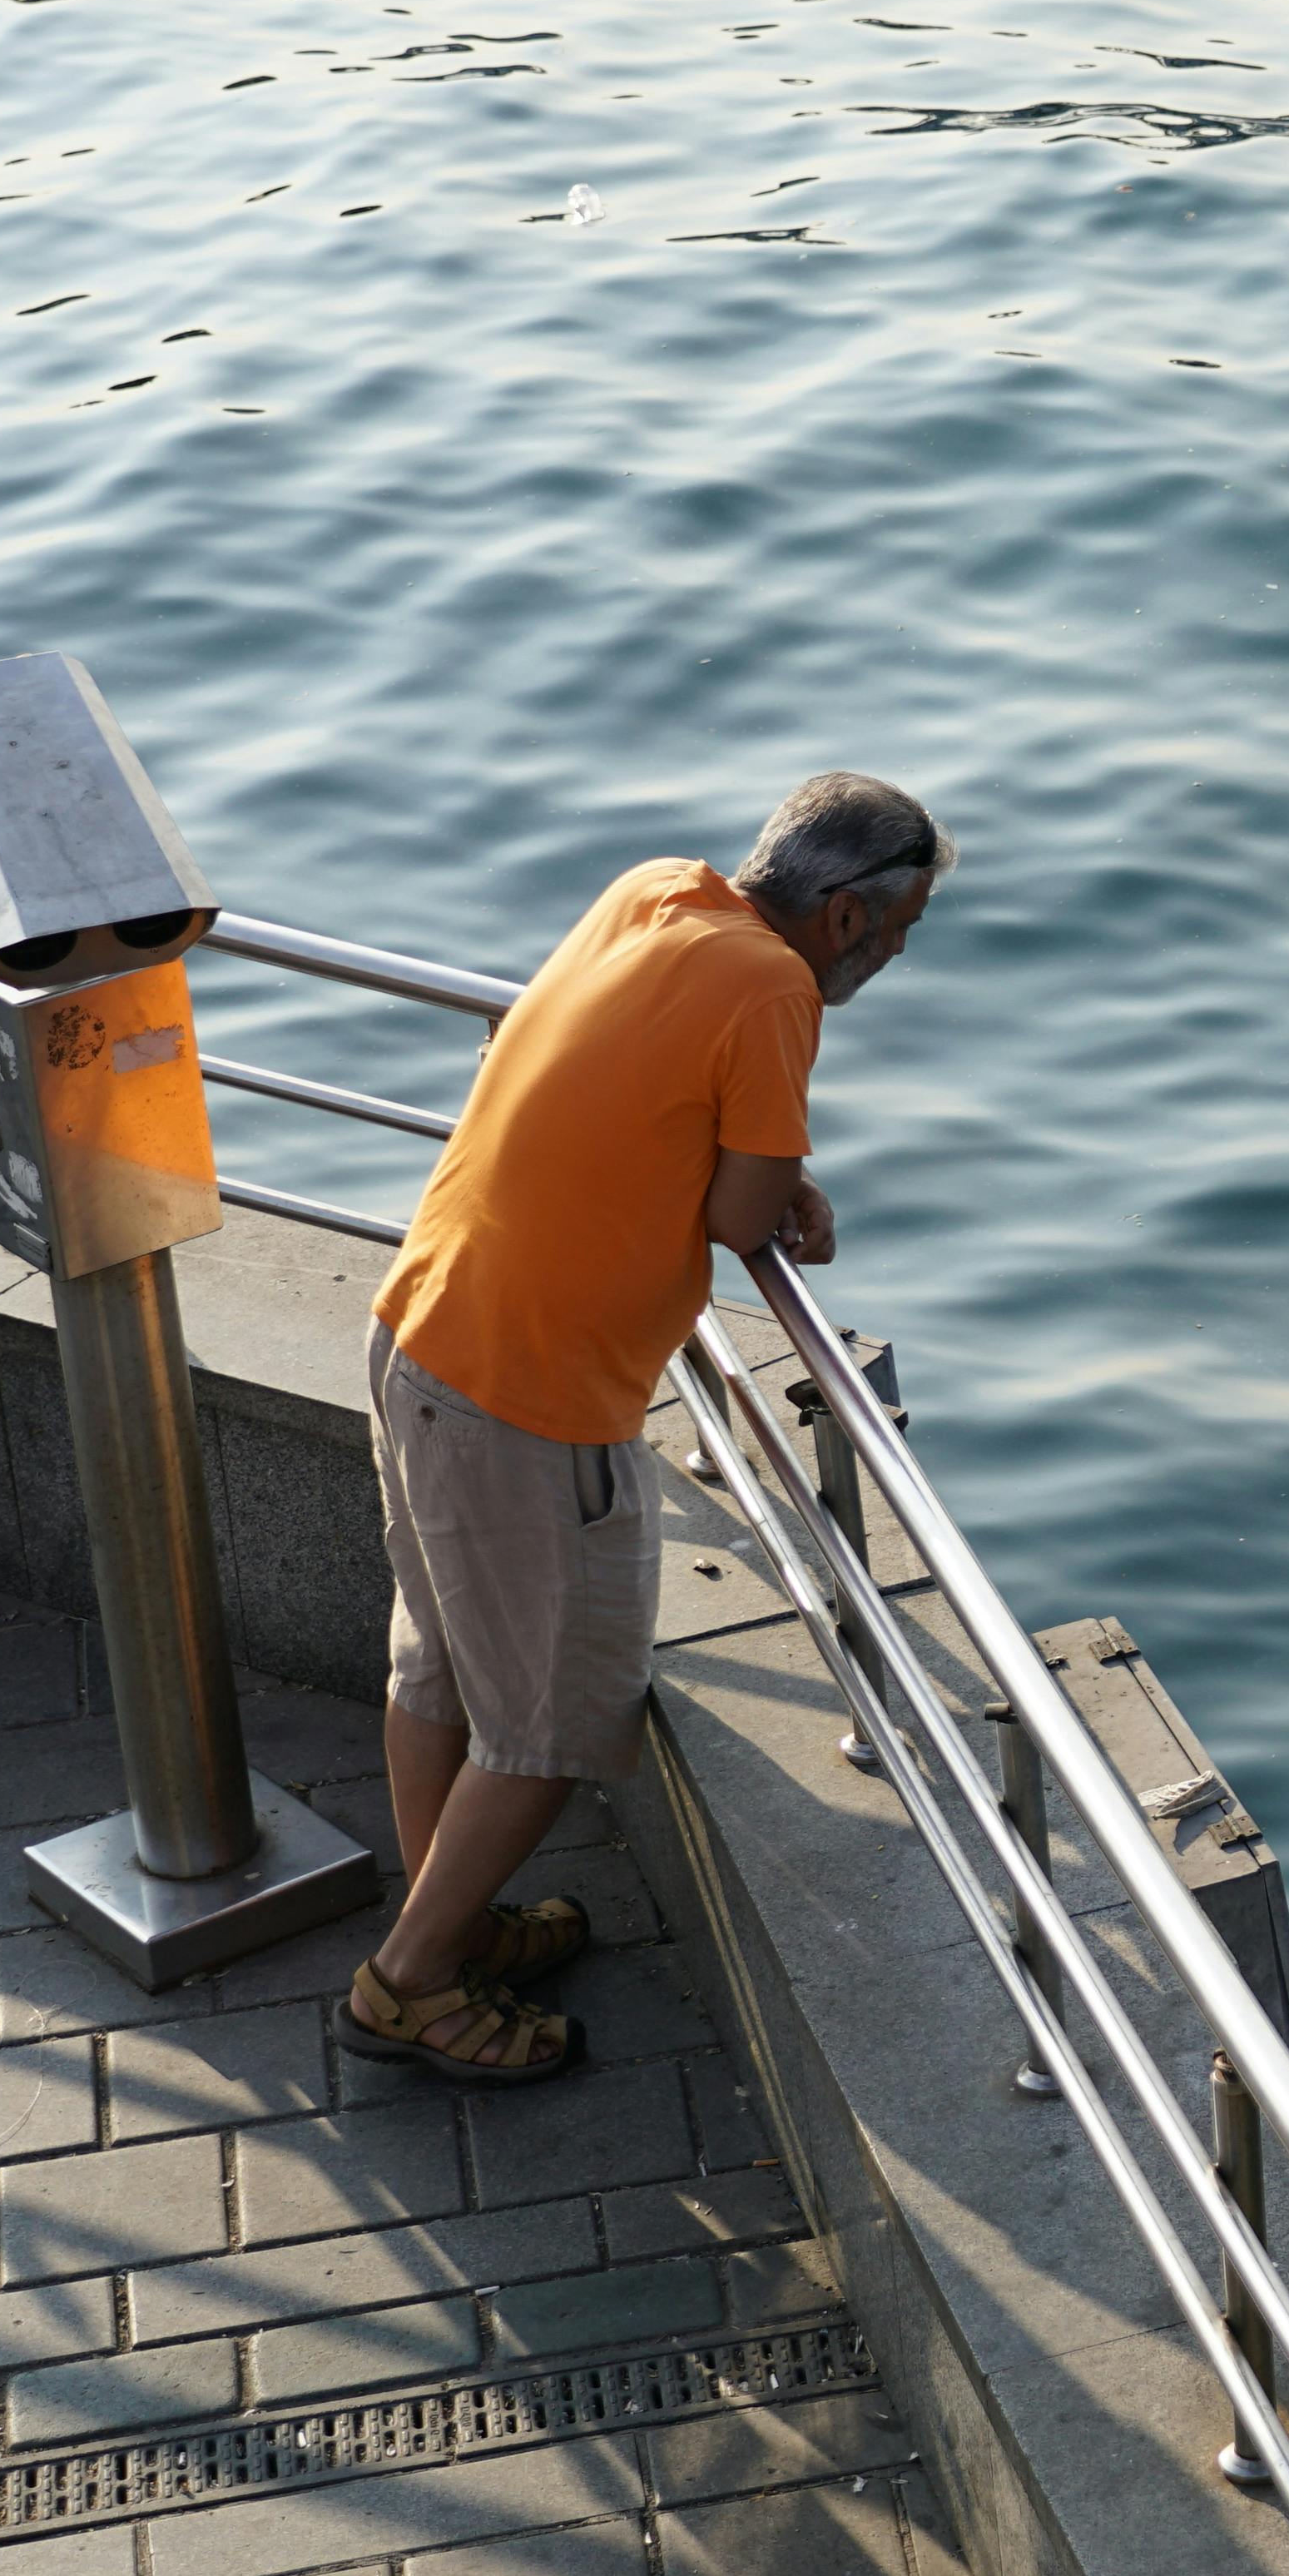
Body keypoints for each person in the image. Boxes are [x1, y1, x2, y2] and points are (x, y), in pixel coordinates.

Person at [341, 773, 946, 2084]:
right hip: (528, 1402)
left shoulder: (656, 892)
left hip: (425, 1327)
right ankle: (410, 1986)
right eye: (896, 936)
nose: (890, 962)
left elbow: (667, 1110)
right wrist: (787, 1190)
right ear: (844, 916)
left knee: (439, 1668)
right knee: (556, 1722)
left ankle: (450, 1922)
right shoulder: (778, 992)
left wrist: (774, 1172)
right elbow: (738, 1220)